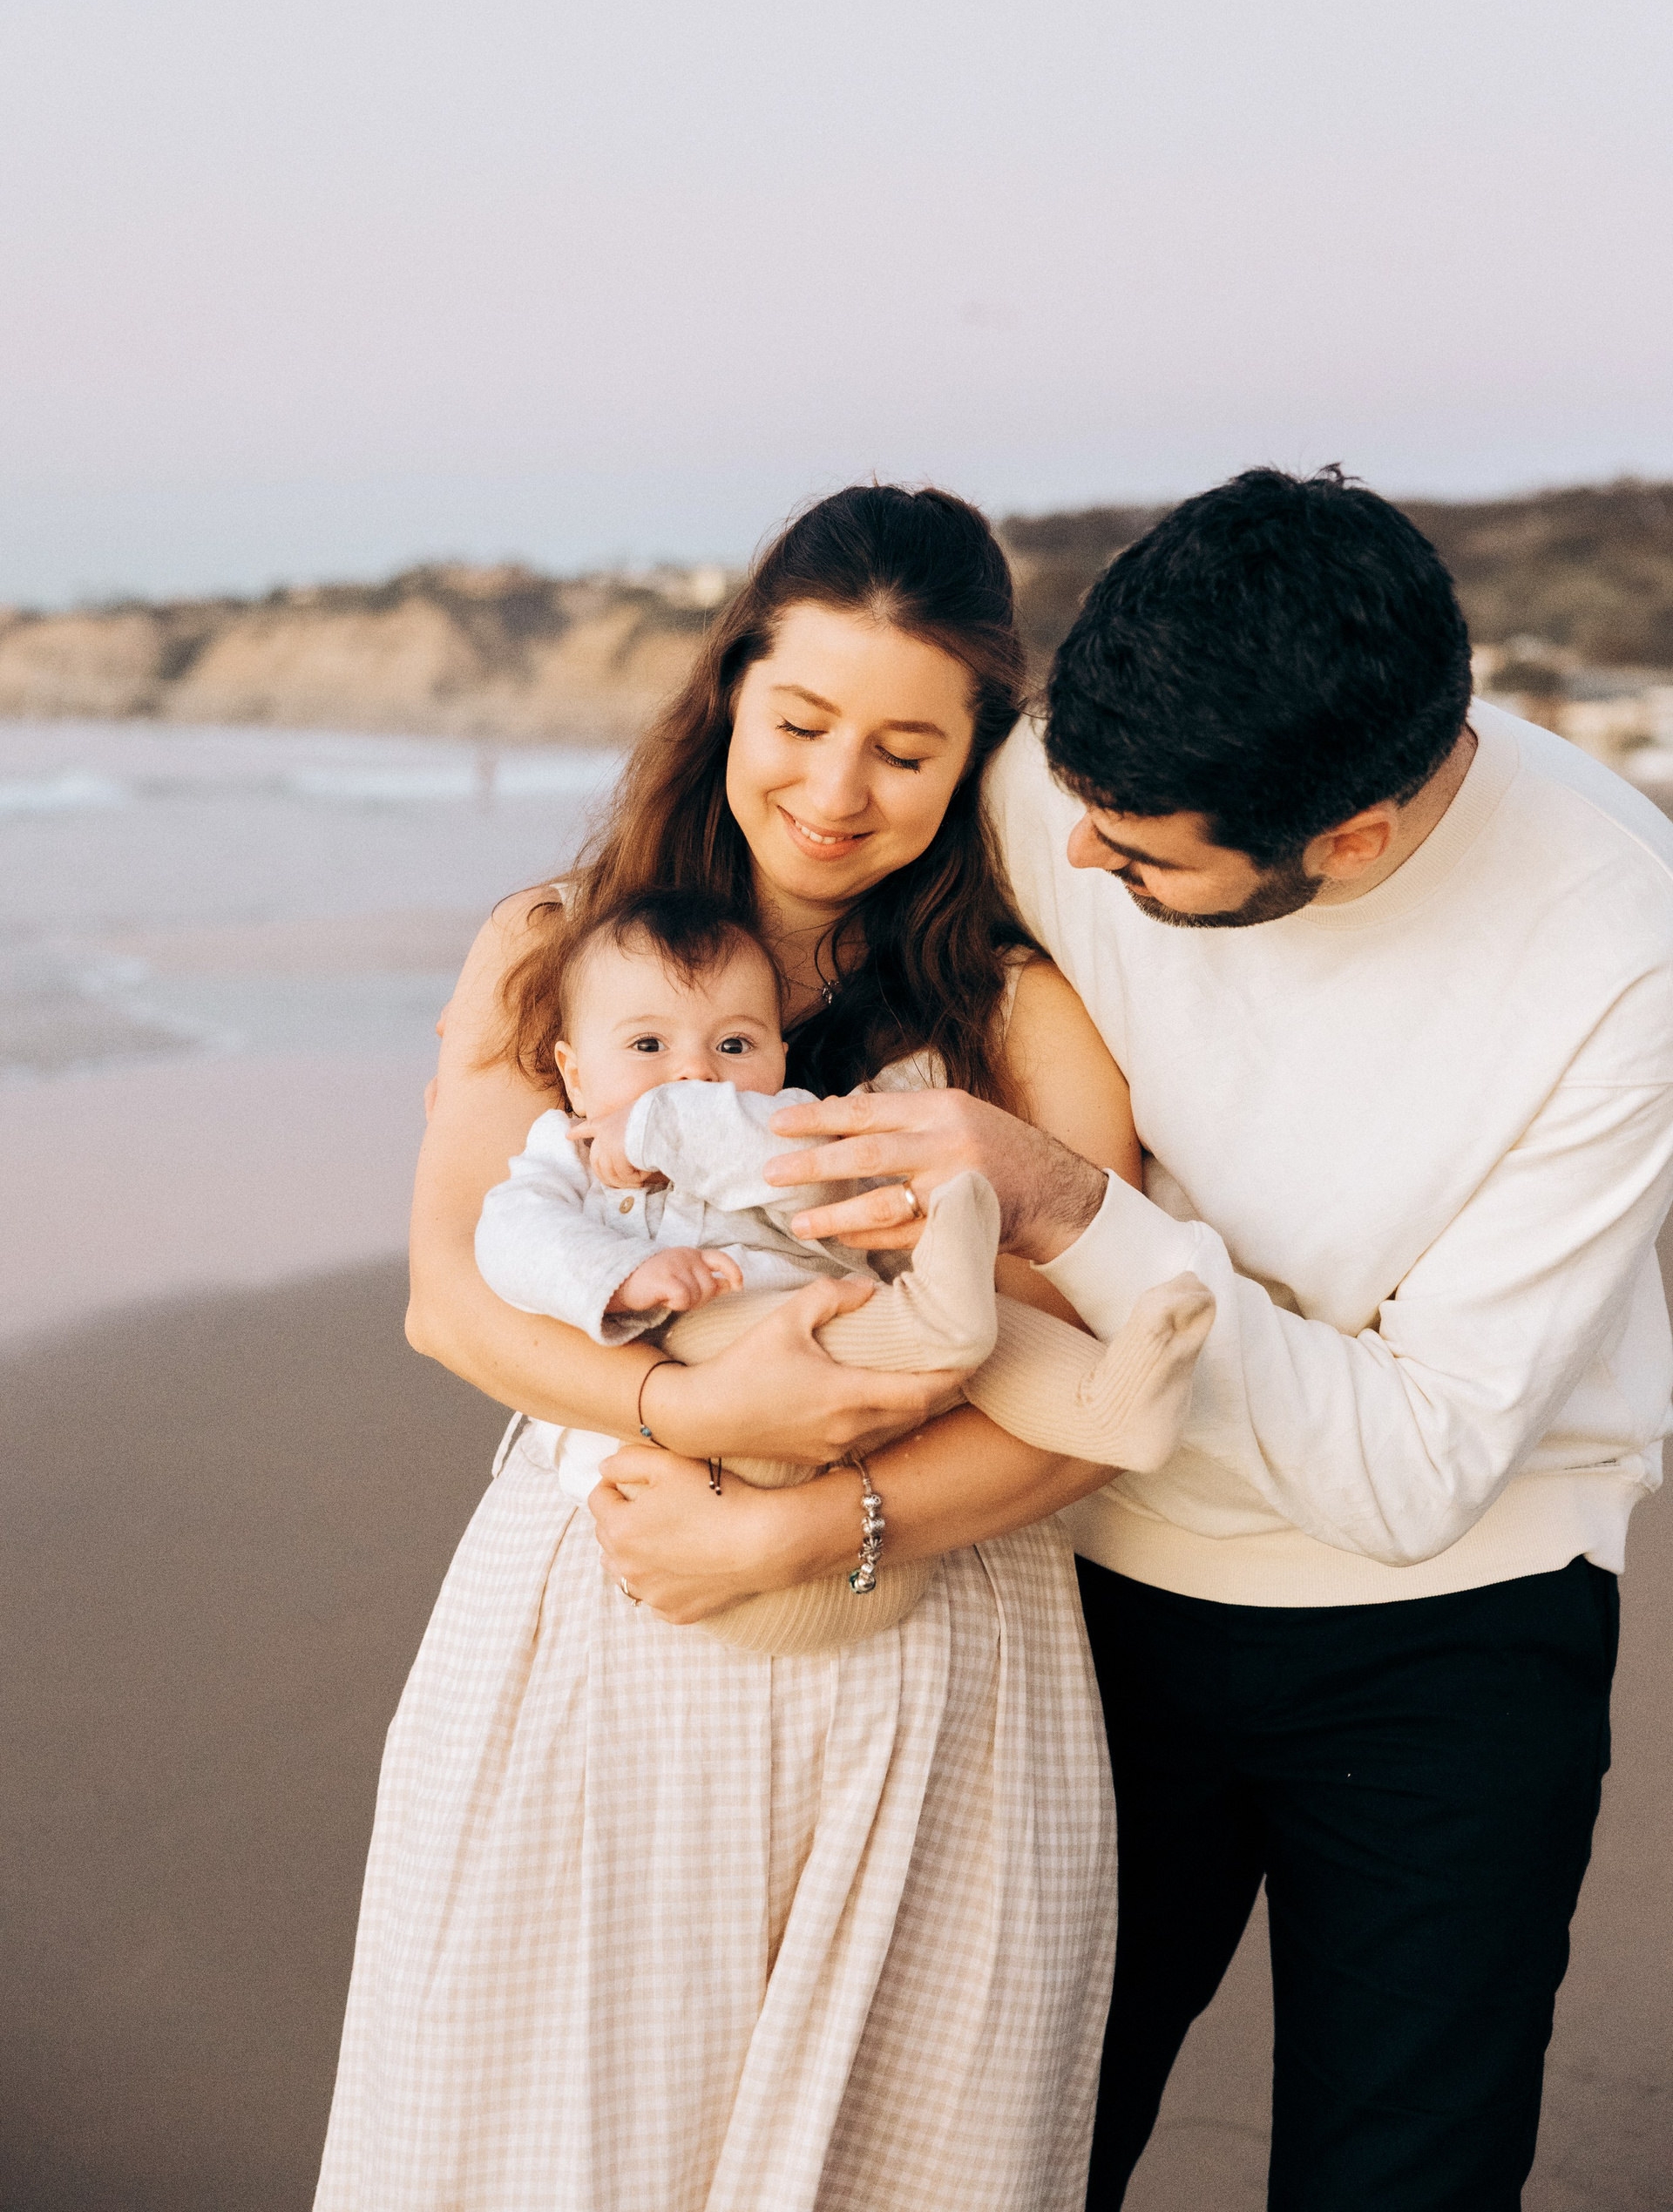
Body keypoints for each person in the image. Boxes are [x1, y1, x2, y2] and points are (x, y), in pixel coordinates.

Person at [688, 466, 1673, 2209]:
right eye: (1075, 803)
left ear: (1349, 841)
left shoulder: (1619, 953)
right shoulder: (1059, 785)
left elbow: (1411, 1475)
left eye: (1141, 860)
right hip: (1073, 1576)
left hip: (1453, 1638)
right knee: (998, 2158)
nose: (1072, 858)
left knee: (1406, 2179)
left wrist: (1070, 1206)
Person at [315, 484, 1166, 2212]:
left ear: (977, 759)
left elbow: (1091, 1396)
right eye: (801, 723)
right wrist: (692, 1397)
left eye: (906, 752)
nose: (838, 791)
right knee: (545, 2148)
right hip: (603, 1626)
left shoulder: (1022, 1012)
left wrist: (805, 1526)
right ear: (729, 700)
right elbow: (452, 1295)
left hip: (939, 1666)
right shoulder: (557, 952)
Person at [472, 881, 1210, 1655]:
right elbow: (510, 1239)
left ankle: (1106, 1407)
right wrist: (622, 1275)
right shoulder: (564, 1154)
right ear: (575, 1072)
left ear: (779, 1057)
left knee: (992, 1331)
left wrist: (663, 1123)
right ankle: (937, 1322)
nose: (695, 1075)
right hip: (690, 1445)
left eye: (734, 1047)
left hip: (852, 1449)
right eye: (648, 1047)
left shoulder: (783, 1123)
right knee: (788, 1319)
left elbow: (796, 1168)